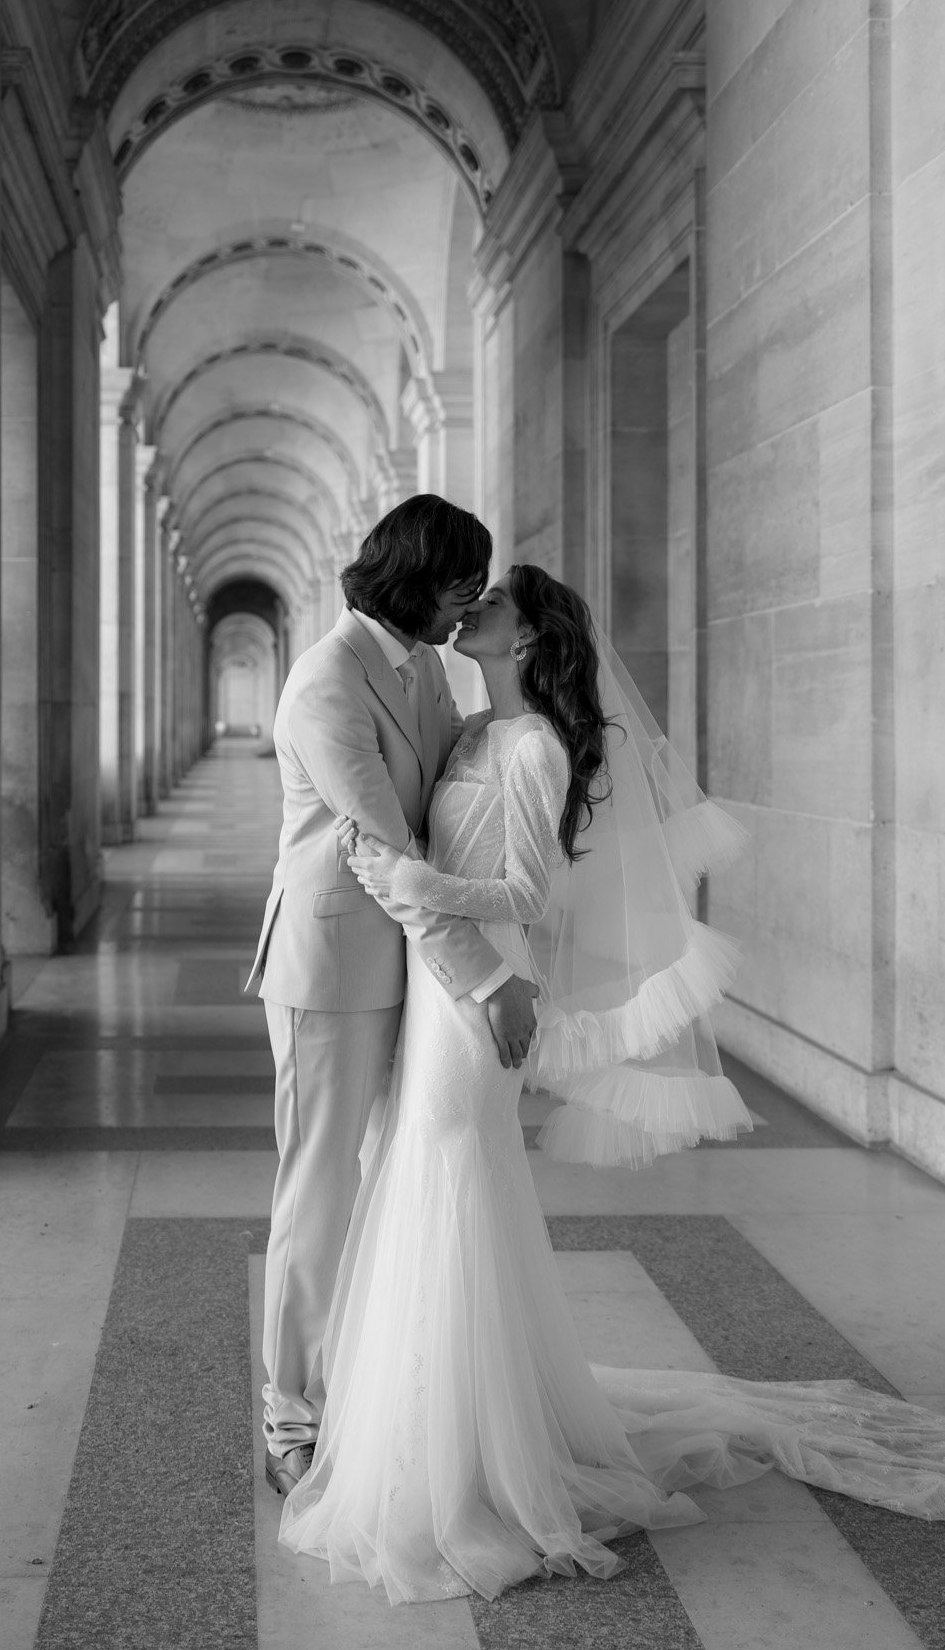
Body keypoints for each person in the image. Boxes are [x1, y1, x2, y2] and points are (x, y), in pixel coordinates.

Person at [278, 564, 945, 1603]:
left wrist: (415, 883)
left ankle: (466, 1462)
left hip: (480, 992)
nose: (469, 608)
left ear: (526, 639)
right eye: (467, 598)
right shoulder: (475, 729)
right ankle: (443, 1423)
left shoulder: (530, 747)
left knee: (447, 1173)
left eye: (494, 605)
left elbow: (525, 894)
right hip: (439, 984)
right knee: (424, 1173)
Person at [246, 496, 539, 1498]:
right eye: (464, 579)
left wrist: (503, 669)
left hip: (411, 959)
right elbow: (384, 852)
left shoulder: (417, 663)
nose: (471, 598)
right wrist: (490, 978)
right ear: (416, 575)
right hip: (332, 968)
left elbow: (474, 760)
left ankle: (371, 1383)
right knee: (320, 1187)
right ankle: (289, 1407)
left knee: (395, 1172)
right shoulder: (327, 682)